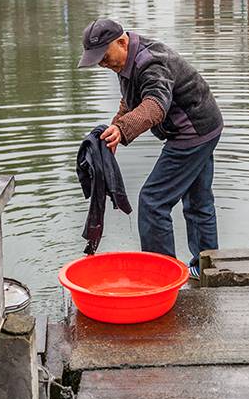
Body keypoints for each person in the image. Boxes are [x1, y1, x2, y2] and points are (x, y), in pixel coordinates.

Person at [77, 18, 223, 279]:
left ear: (122, 42)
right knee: (198, 200)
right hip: (205, 126)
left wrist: (123, 129)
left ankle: (162, 274)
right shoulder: (126, 61)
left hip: (193, 132)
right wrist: (115, 128)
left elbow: (155, 104)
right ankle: (206, 268)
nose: (102, 64)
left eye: (104, 56)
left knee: (153, 201)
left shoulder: (151, 62)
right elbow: (131, 99)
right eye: (97, 60)